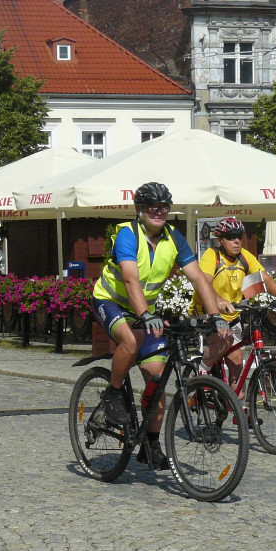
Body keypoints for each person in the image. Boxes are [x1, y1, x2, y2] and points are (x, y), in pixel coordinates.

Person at [91, 181, 230, 469]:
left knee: (157, 380)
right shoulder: (127, 235)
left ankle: (150, 446)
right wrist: (143, 314)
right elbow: (130, 279)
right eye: (152, 207)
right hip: (112, 301)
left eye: (164, 207)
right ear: (139, 210)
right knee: (130, 341)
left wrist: (215, 315)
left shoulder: (173, 238)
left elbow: (198, 278)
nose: (159, 212)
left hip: (145, 311)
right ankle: (114, 392)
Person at [191, 217, 276, 398]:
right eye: (231, 237)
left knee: (238, 363)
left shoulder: (245, 256)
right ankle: (201, 371)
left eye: (239, 236)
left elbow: (265, 278)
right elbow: (203, 284)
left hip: (232, 314)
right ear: (220, 240)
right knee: (225, 339)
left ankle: (241, 412)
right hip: (206, 310)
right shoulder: (211, 256)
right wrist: (219, 300)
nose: (237, 241)